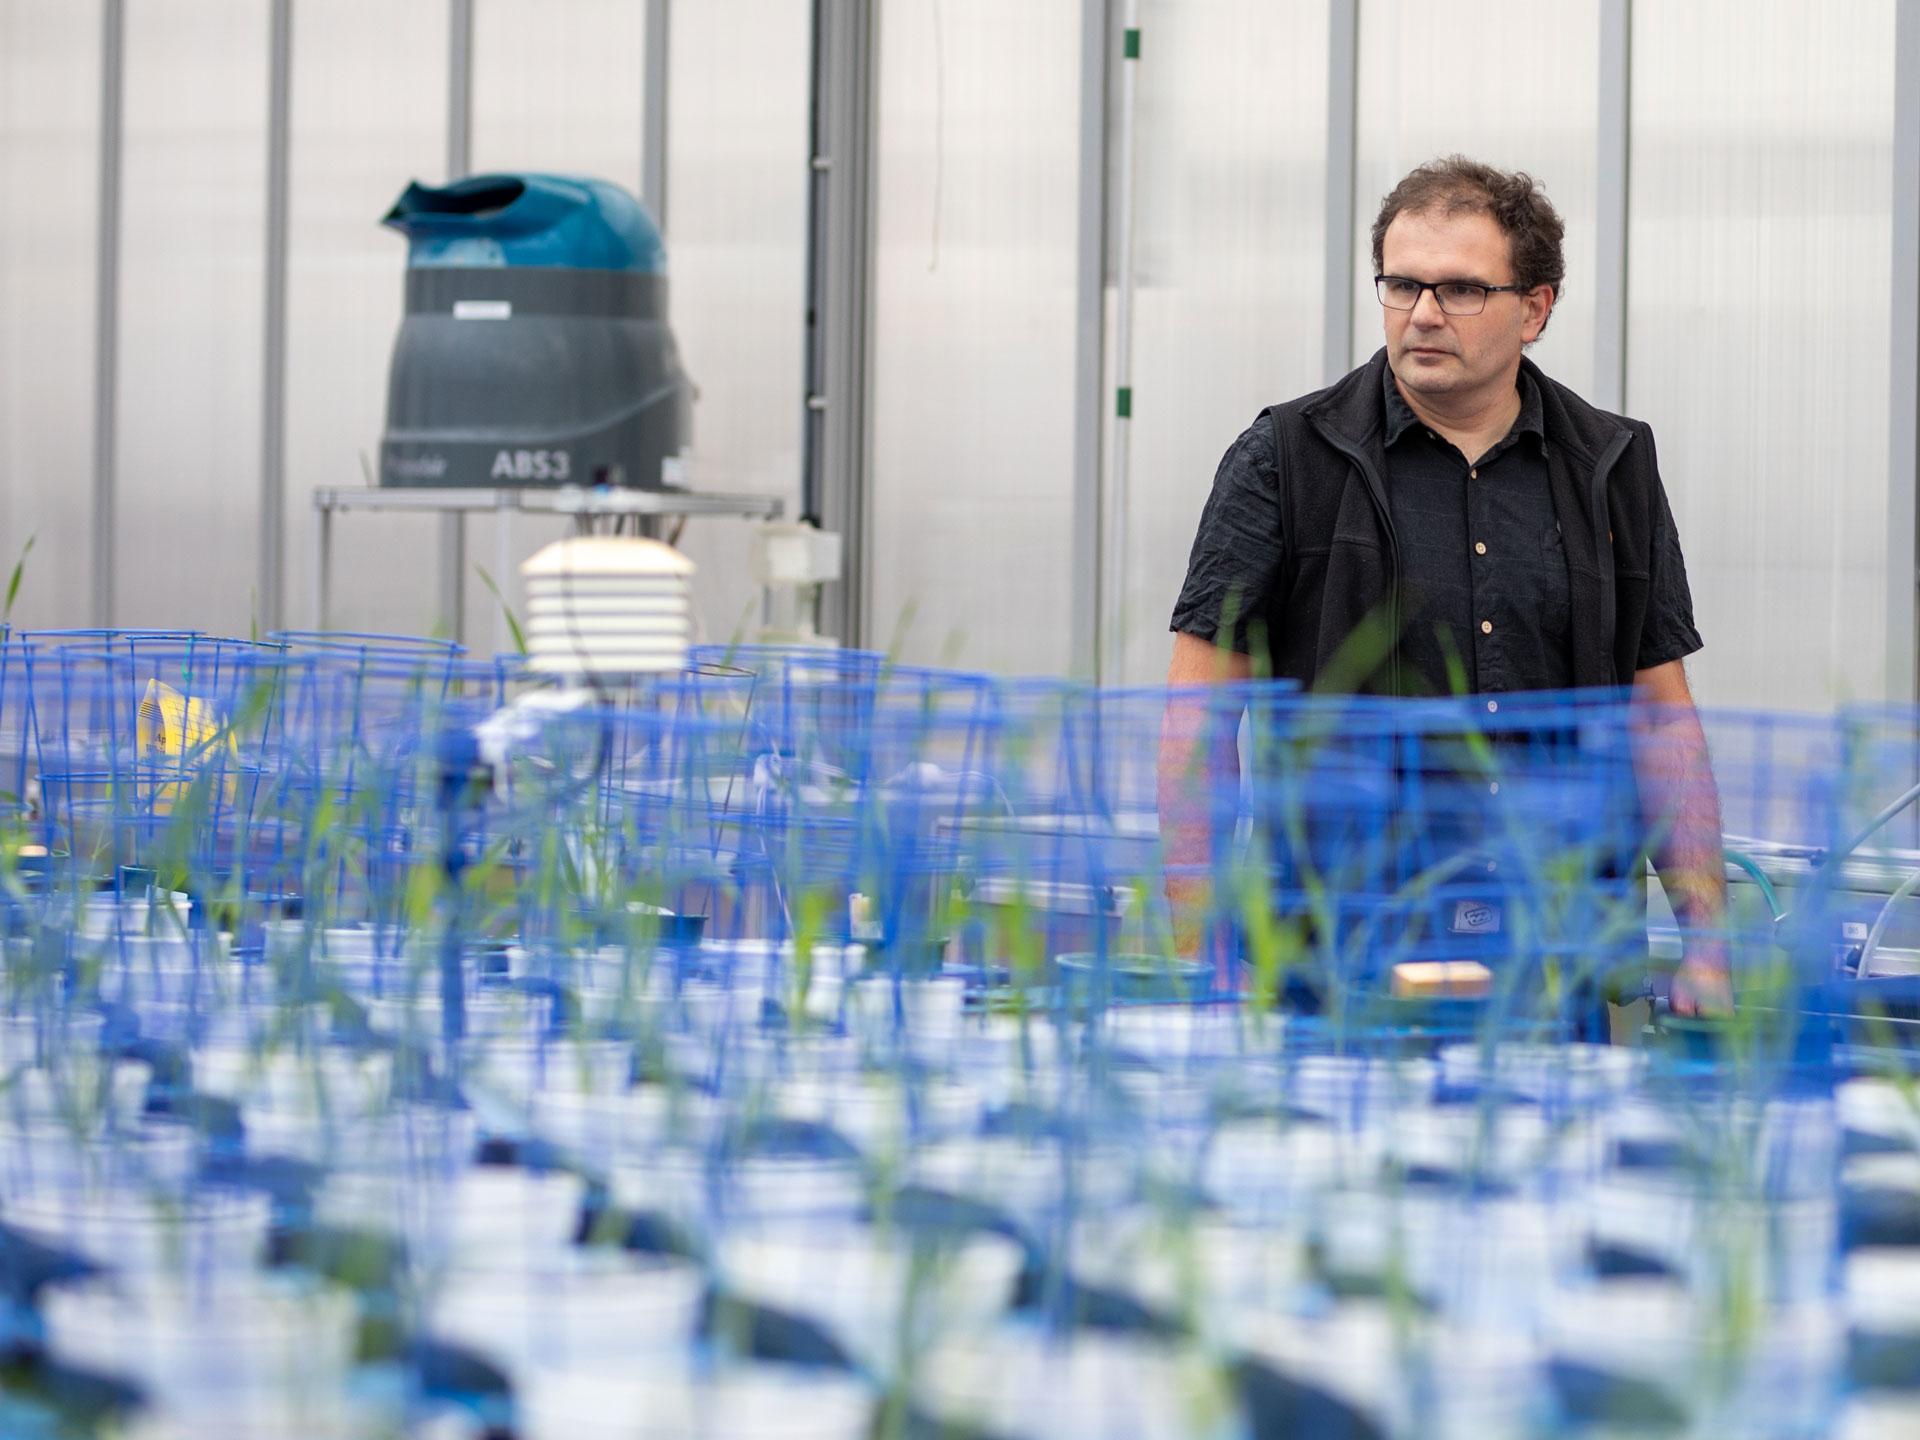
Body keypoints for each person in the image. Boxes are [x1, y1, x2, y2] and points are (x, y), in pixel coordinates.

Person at [1160, 155, 1732, 1018]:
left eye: (1461, 289)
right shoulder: (1286, 459)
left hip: (1554, 960)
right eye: (1402, 285)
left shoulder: (1609, 466)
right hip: (1339, 963)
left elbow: (1659, 722)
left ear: (1534, 308)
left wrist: (1708, 949)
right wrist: (1197, 952)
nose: (1423, 313)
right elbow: (1200, 721)